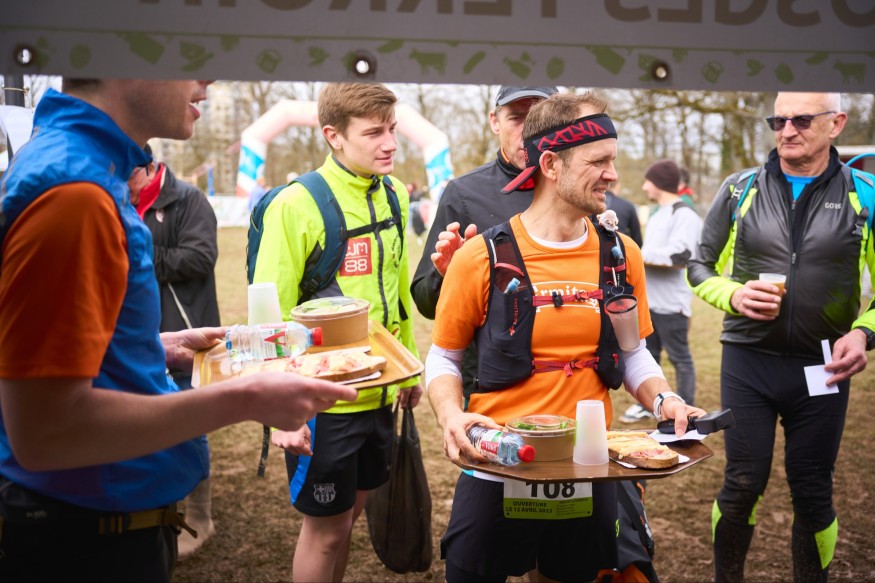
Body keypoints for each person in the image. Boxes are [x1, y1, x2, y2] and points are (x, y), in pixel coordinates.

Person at [0, 78, 358, 582]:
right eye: (187, 55)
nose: (207, 77)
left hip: (95, 518)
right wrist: (246, 398)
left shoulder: (86, 169)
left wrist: (156, 349)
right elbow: (44, 431)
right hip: (87, 535)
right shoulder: (75, 191)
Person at [426, 91, 705, 583]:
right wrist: (451, 416)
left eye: (612, 160)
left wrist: (665, 400)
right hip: (498, 458)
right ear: (551, 164)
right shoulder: (479, 257)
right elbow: (444, 358)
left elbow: (633, 354)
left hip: (588, 464)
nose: (612, 175)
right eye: (598, 161)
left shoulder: (621, 254)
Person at [688, 92, 875, 582]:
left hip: (823, 366)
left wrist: (863, 333)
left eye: (802, 120)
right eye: (779, 120)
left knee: (812, 490)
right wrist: (733, 295)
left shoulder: (865, 192)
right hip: (748, 362)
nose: (787, 130)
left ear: (837, 123)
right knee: (742, 484)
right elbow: (699, 267)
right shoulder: (740, 188)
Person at [252, 82, 422, 583]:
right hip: (322, 403)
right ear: (334, 136)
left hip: (379, 393)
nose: (390, 143)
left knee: (346, 522)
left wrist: (409, 368)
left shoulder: (395, 194)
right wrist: (283, 411)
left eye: (392, 129)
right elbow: (269, 314)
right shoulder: (296, 204)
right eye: (374, 133)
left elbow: (398, 293)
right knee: (325, 531)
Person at [127, 145, 221, 559]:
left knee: (188, 422)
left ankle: (200, 517)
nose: (125, 183)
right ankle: (162, 507)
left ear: (149, 168)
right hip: (142, 332)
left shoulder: (188, 199)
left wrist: (136, 254)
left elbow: (200, 258)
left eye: (130, 173)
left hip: (185, 328)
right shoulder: (117, 198)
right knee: (147, 422)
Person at [620, 160, 702, 424]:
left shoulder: (684, 215)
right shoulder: (658, 214)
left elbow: (681, 255)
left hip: (672, 305)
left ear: (659, 183)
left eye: (648, 181)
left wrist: (636, 255)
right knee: (649, 357)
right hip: (651, 303)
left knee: (681, 359)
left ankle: (685, 409)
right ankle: (650, 404)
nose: (645, 187)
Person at [604, 180, 642, 247]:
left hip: (594, 249)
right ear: (617, 185)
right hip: (621, 249)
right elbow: (637, 239)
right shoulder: (627, 206)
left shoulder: (591, 205)